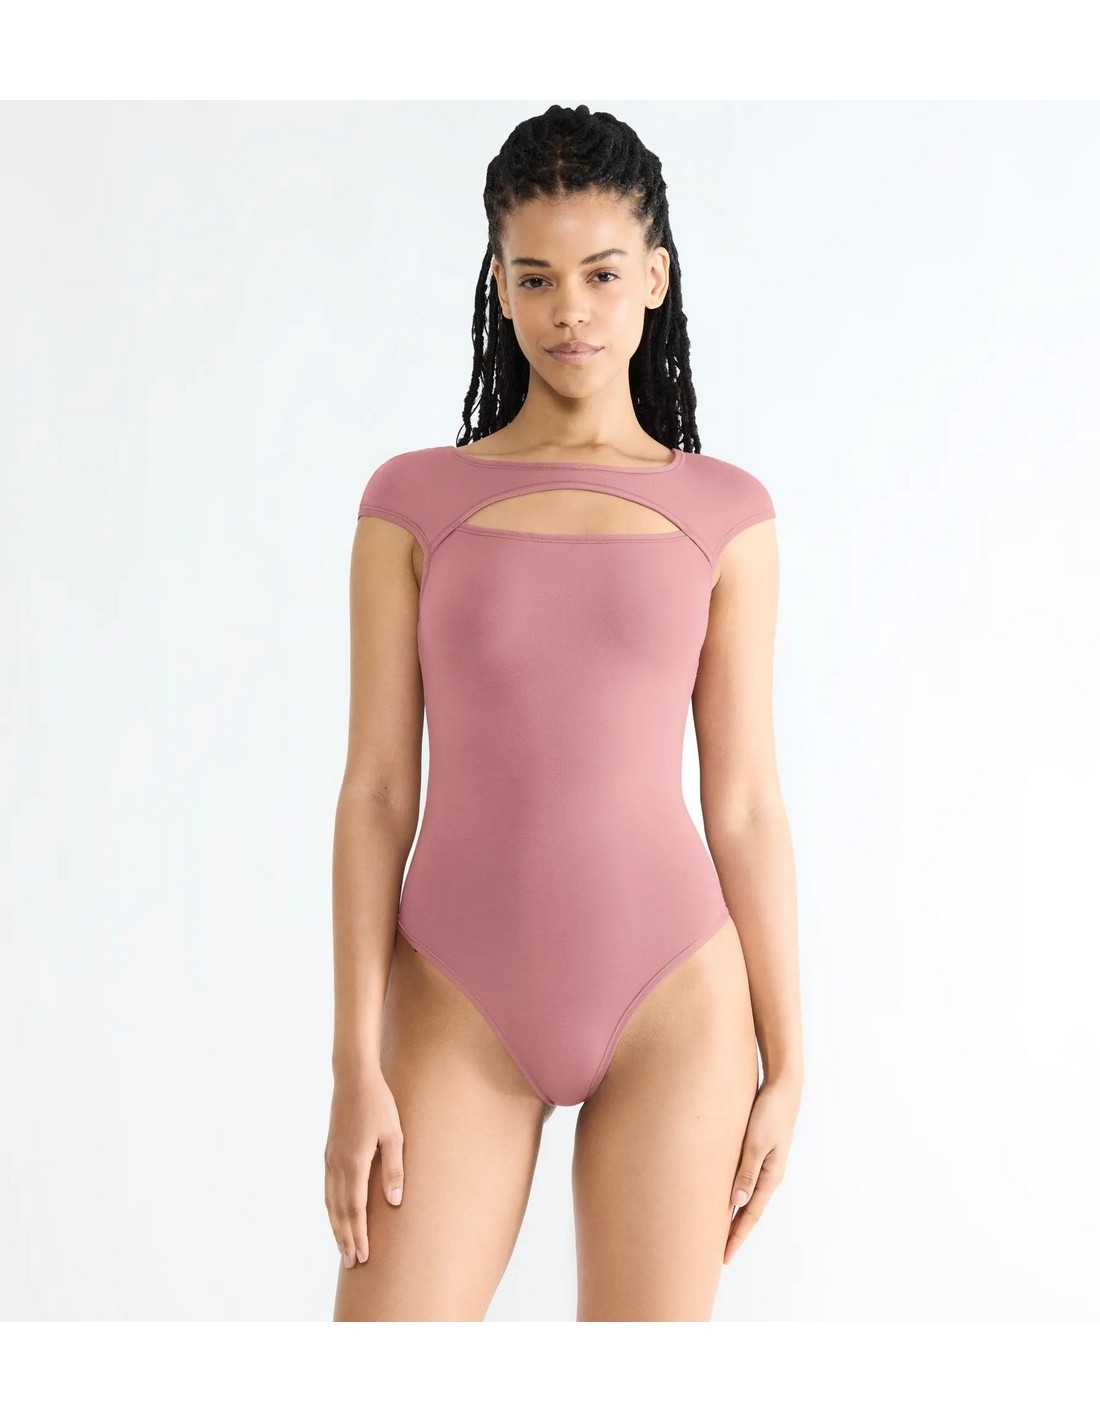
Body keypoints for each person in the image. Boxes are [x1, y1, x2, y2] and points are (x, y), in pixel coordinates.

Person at [326, 103, 803, 1323]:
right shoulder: (410, 502)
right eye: (534, 278)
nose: (568, 310)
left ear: (654, 277)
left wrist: (789, 1058)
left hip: (676, 1000)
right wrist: (352, 1060)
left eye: (599, 272)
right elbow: (376, 789)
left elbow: (744, 802)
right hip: (453, 999)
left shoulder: (727, 513)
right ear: (498, 285)